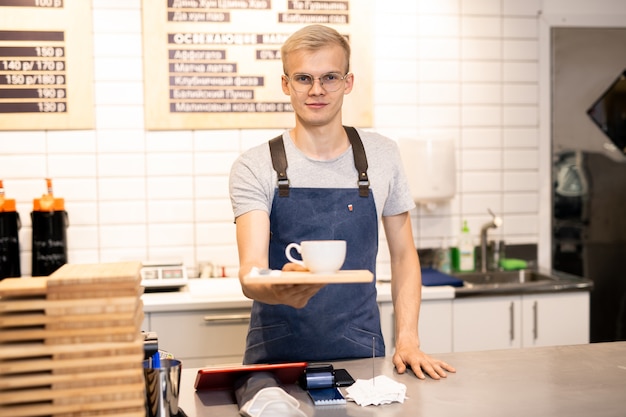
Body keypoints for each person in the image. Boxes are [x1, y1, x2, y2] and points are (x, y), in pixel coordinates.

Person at [229, 24, 455, 380]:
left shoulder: (382, 156)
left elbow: (404, 256)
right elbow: (250, 271)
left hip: (361, 355)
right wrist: (280, 291)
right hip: (274, 362)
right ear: (286, 84)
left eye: (330, 77)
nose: (316, 90)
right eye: (303, 78)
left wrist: (408, 339)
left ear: (348, 83)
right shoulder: (255, 165)